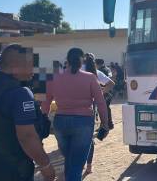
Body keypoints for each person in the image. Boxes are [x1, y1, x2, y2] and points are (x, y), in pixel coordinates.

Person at [0, 44, 55, 181]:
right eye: (30, 64)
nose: (34, 69)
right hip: (15, 166)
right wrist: (45, 165)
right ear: (16, 65)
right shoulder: (21, 93)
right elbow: (27, 136)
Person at [43, 48, 109, 181]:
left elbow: (46, 102)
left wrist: (43, 119)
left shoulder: (54, 77)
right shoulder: (90, 78)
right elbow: (101, 103)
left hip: (60, 123)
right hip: (83, 122)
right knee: (76, 165)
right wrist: (105, 124)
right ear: (82, 61)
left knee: (70, 160)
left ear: (67, 61)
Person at [83, 54, 115, 130]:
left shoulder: (74, 71)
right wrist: (100, 93)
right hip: (90, 103)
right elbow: (111, 83)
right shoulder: (96, 72)